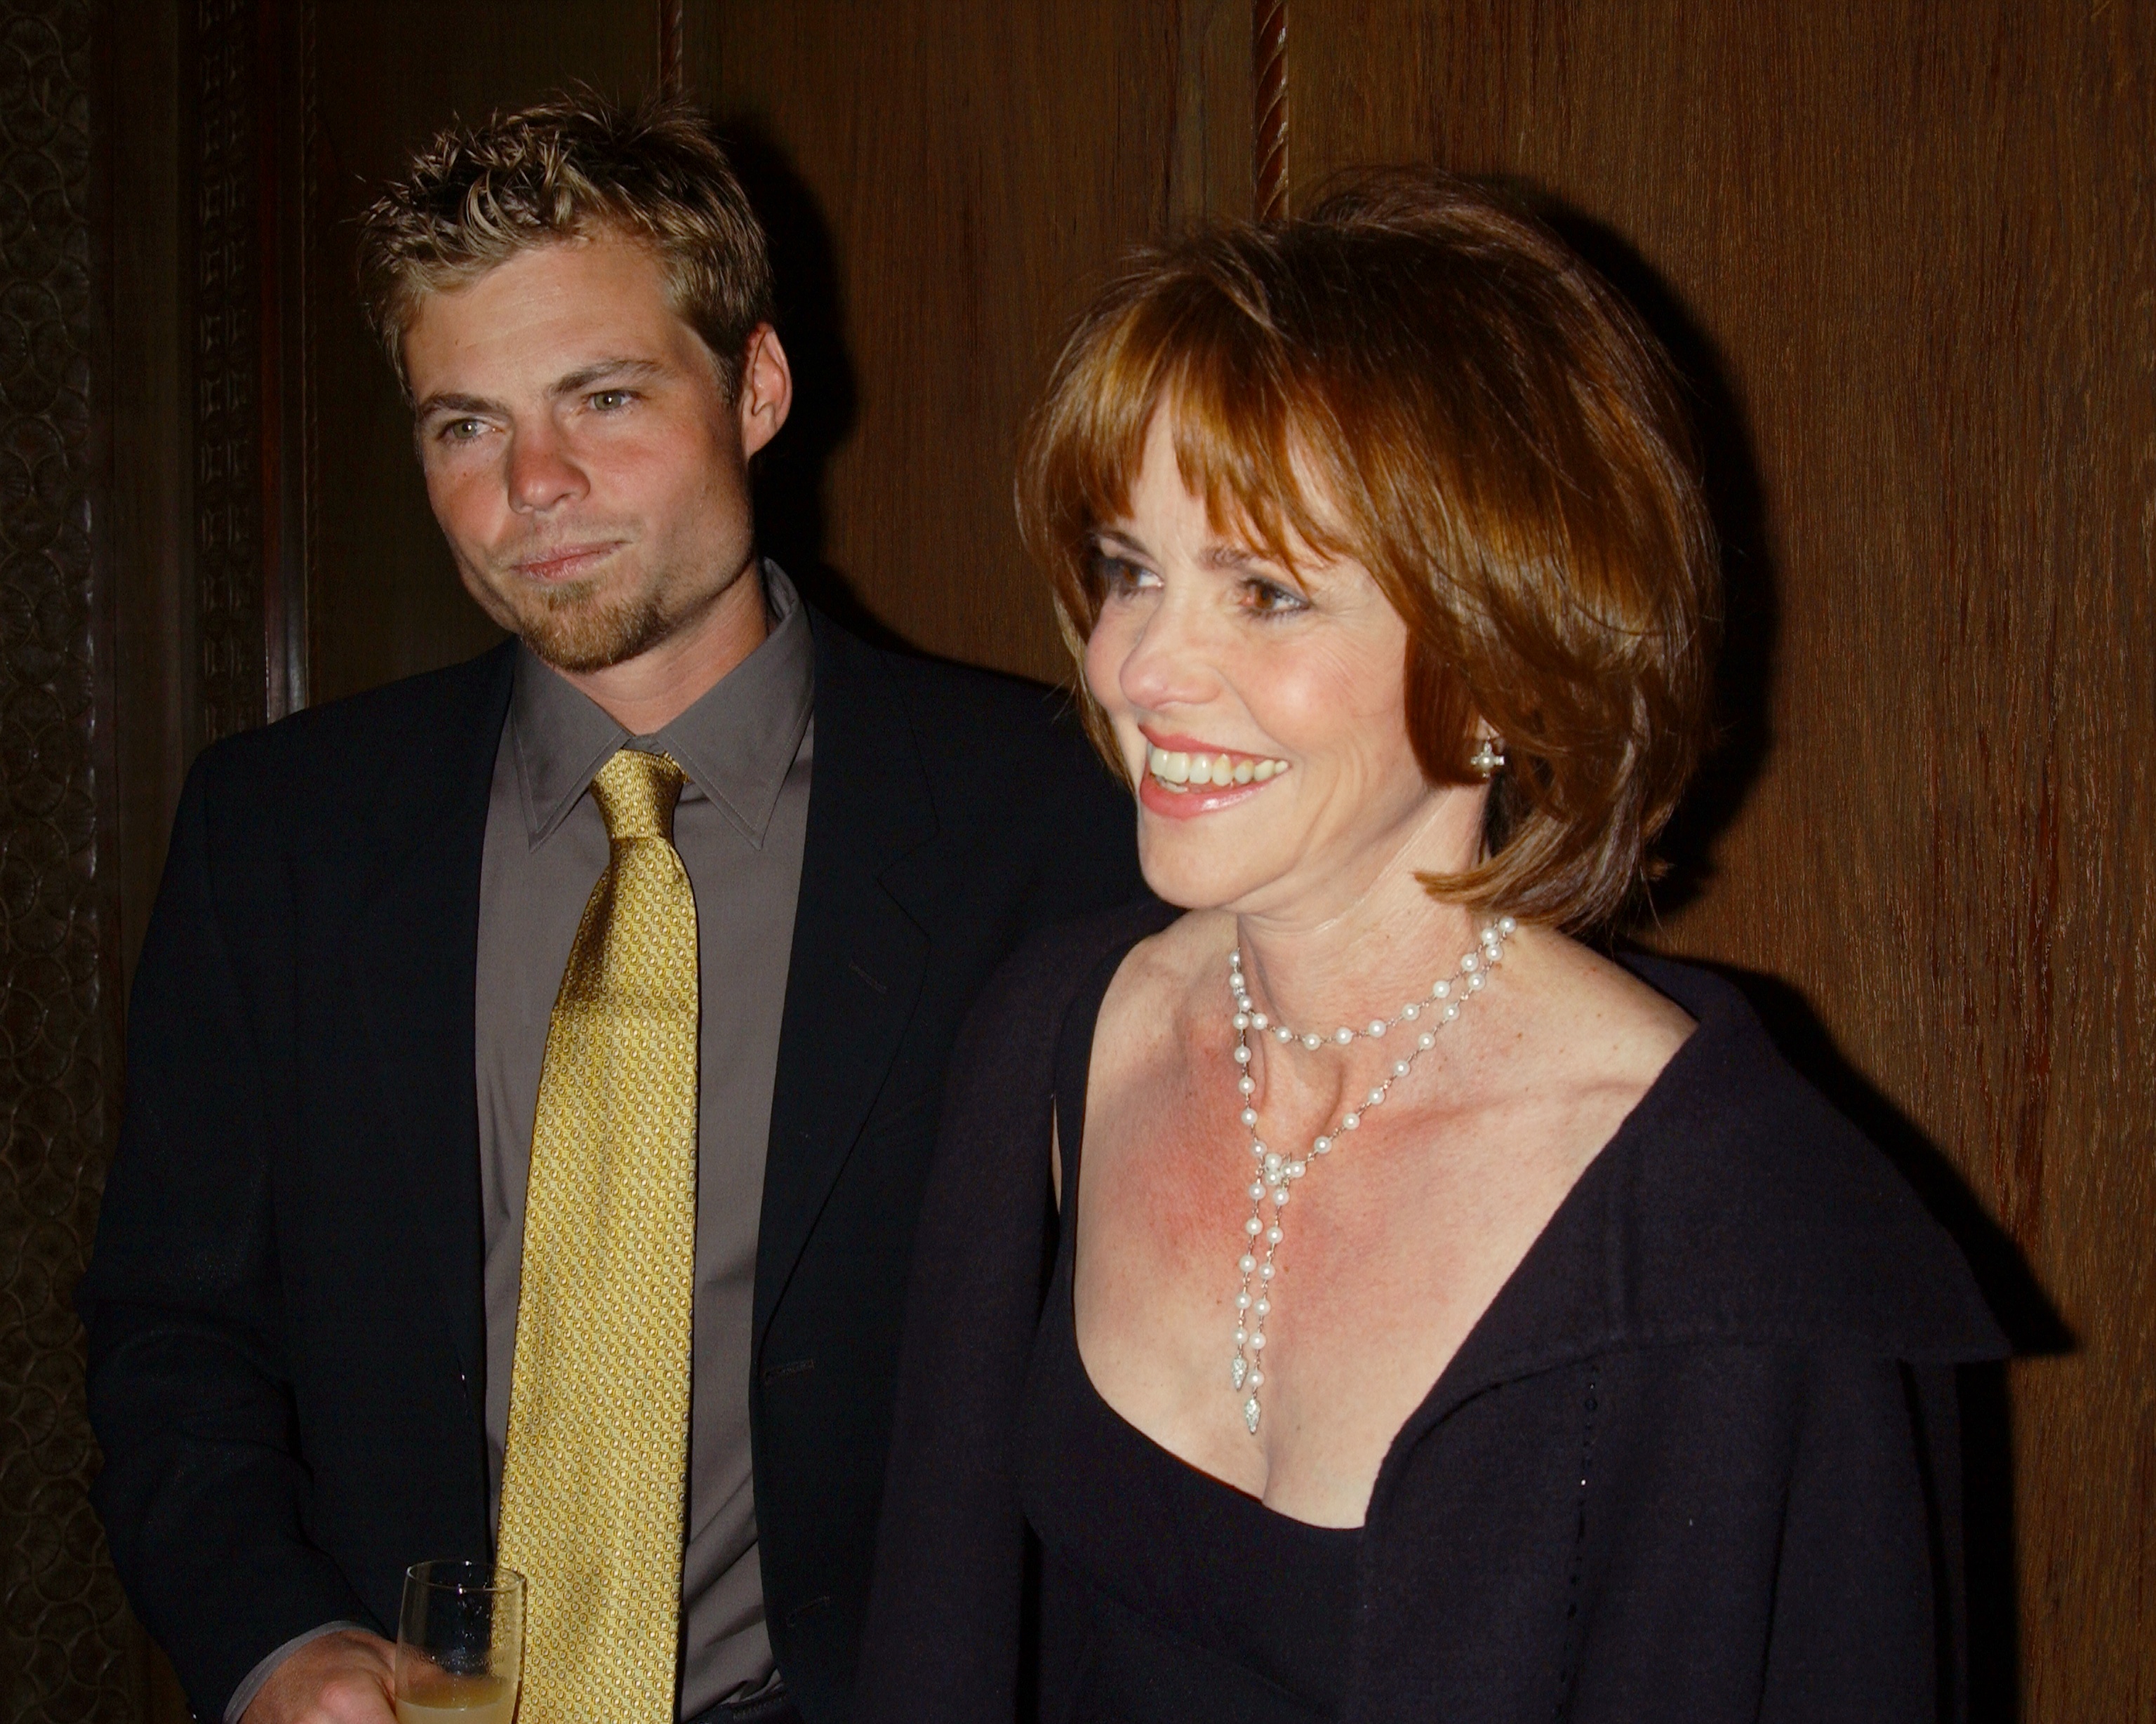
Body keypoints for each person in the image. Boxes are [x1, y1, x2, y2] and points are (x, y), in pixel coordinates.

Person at [856, 173, 2007, 1723]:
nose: (1136, 664)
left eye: (1265, 592)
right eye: (1132, 566)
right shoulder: (1052, 1038)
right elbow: (943, 1639)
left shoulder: (1739, 1244)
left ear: (1495, 665)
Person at [79, 94, 1143, 1724]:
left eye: (605, 395)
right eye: (465, 425)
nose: (536, 485)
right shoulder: (276, 830)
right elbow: (173, 1341)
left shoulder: (1054, 818)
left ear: (759, 387)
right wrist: (272, 1642)